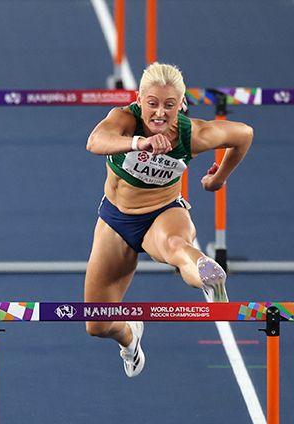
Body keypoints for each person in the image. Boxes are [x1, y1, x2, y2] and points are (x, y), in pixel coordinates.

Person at [84, 62, 253, 377]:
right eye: (152, 104)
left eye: (169, 105)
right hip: (116, 220)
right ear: (139, 101)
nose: (160, 113)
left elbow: (243, 134)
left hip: (164, 212)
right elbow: (95, 142)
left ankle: (207, 274)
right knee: (97, 323)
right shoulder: (123, 119)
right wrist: (140, 143)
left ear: (181, 104)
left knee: (176, 245)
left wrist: (219, 178)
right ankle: (130, 336)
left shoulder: (193, 134)